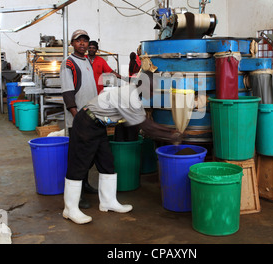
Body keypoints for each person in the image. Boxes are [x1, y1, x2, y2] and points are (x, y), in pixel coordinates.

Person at [63, 70, 182, 224]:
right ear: (143, 85)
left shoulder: (134, 96)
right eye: (152, 89)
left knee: (107, 162)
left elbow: (145, 122)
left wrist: (170, 132)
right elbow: (147, 127)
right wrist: (171, 135)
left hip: (98, 125)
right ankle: (70, 209)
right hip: (86, 123)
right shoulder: (130, 97)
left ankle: (108, 202)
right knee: (80, 164)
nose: (154, 93)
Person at [60, 29, 98, 207]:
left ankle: (85, 183)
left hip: (90, 115)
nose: (82, 44)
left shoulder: (87, 61)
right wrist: (77, 116)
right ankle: (77, 195)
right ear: (72, 43)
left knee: (89, 153)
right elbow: (68, 91)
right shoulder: (68, 62)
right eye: (78, 41)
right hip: (78, 118)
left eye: (85, 41)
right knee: (78, 156)